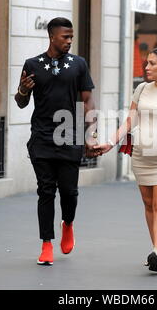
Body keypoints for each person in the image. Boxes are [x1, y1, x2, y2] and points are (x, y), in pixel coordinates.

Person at [94, 47, 157, 273]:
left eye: (152, 64)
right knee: (149, 204)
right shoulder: (141, 89)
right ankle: (155, 250)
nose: (147, 67)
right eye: (147, 63)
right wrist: (110, 143)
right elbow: (129, 123)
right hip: (141, 157)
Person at [14, 17, 100, 266]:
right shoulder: (32, 64)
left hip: (70, 136)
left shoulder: (79, 64)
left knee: (70, 193)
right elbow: (21, 102)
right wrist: (22, 90)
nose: (70, 41)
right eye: (65, 37)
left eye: (71, 37)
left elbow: (88, 101)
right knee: (46, 192)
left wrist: (91, 134)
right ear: (52, 36)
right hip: (41, 137)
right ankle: (46, 244)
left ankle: (68, 223)